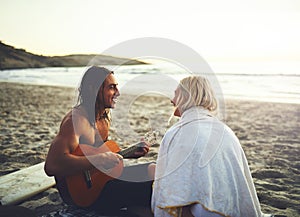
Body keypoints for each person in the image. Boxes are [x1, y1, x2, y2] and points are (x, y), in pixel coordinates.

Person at [152, 75, 273, 217]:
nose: (172, 100)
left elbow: (174, 195)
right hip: (231, 209)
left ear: (185, 97)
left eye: (176, 94)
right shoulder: (225, 130)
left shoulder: (177, 132)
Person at [44, 66, 155, 216]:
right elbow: (52, 165)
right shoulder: (75, 121)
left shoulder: (103, 117)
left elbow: (99, 154)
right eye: (112, 87)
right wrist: (98, 159)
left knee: (153, 170)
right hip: (82, 196)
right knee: (150, 188)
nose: (118, 93)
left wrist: (128, 154)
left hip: (103, 182)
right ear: (93, 89)